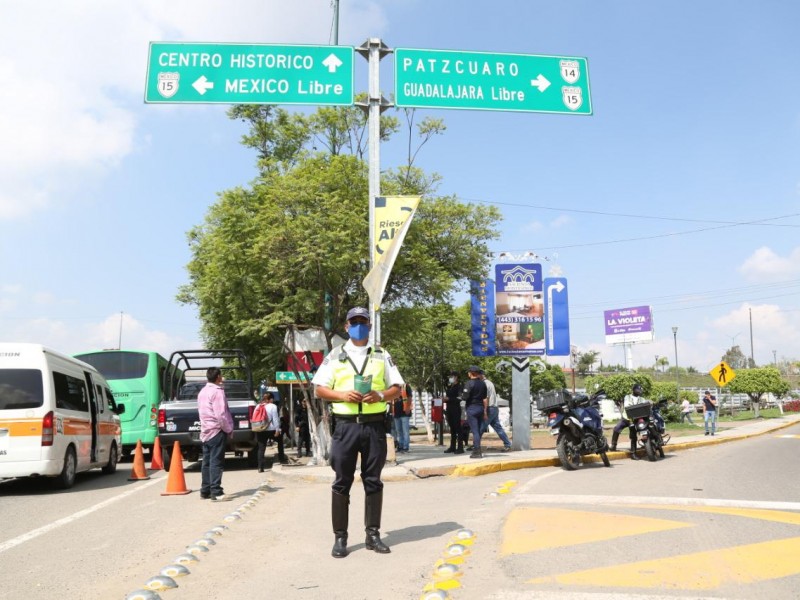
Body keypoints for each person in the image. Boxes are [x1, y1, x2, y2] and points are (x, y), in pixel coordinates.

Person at [311, 307, 404, 558]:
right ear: (346, 326)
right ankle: (340, 538)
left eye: (363, 321)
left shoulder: (381, 355)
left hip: (374, 425)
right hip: (346, 426)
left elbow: (397, 387)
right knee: (342, 482)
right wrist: (341, 394)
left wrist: (381, 395)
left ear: (370, 326)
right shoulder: (335, 355)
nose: (359, 325)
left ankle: (373, 535)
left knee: (373, 481)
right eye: (354, 322)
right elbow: (319, 389)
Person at [198, 367, 233, 501]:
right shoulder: (217, 392)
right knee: (216, 462)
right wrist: (228, 429)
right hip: (217, 431)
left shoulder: (202, 392)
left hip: (205, 431)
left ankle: (205, 490)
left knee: (206, 462)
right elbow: (221, 415)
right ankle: (216, 492)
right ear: (218, 376)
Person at [610, 383, 645, 460]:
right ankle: (613, 445)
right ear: (633, 390)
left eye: (639, 390)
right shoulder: (627, 397)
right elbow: (627, 405)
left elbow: (644, 405)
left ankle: (633, 453)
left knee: (633, 436)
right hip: (626, 418)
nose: (638, 391)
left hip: (635, 420)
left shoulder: (642, 399)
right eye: (637, 389)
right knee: (616, 429)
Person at [481, 370, 512, 452]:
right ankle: (508, 444)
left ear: (481, 375)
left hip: (489, 408)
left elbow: (486, 398)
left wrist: (484, 411)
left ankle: (475, 445)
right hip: (494, 408)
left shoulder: (485, 384)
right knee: (498, 428)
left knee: (481, 427)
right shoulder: (490, 383)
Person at [461, 365, 488, 459]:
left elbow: (465, 396)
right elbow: (484, 397)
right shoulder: (483, 383)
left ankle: (477, 451)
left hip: (472, 408)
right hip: (480, 408)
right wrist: (485, 411)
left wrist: (461, 397)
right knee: (478, 430)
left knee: (475, 431)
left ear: (471, 373)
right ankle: (477, 449)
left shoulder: (469, 383)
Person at [443, 371, 464, 454]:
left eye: (452, 376)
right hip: (449, 409)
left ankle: (460, 447)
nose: (450, 378)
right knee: (452, 429)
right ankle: (452, 446)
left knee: (458, 428)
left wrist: (449, 399)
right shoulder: (450, 387)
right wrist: (445, 399)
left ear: (456, 377)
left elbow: (460, 398)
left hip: (456, 409)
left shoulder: (459, 387)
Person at [265, 392, 287, 463]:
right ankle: (281, 459)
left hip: (261, 429)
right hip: (271, 429)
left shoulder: (259, 406)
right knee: (280, 441)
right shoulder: (273, 406)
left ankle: (260, 466)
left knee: (261, 448)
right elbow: (275, 419)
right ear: (271, 399)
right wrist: (277, 430)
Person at [393, 384, 412, 453]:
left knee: (405, 431)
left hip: (404, 413)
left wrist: (408, 408)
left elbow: (409, 397)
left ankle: (405, 447)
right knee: (399, 431)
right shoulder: (394, 386)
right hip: (396, 413)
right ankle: (400, 447)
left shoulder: (406, 386)